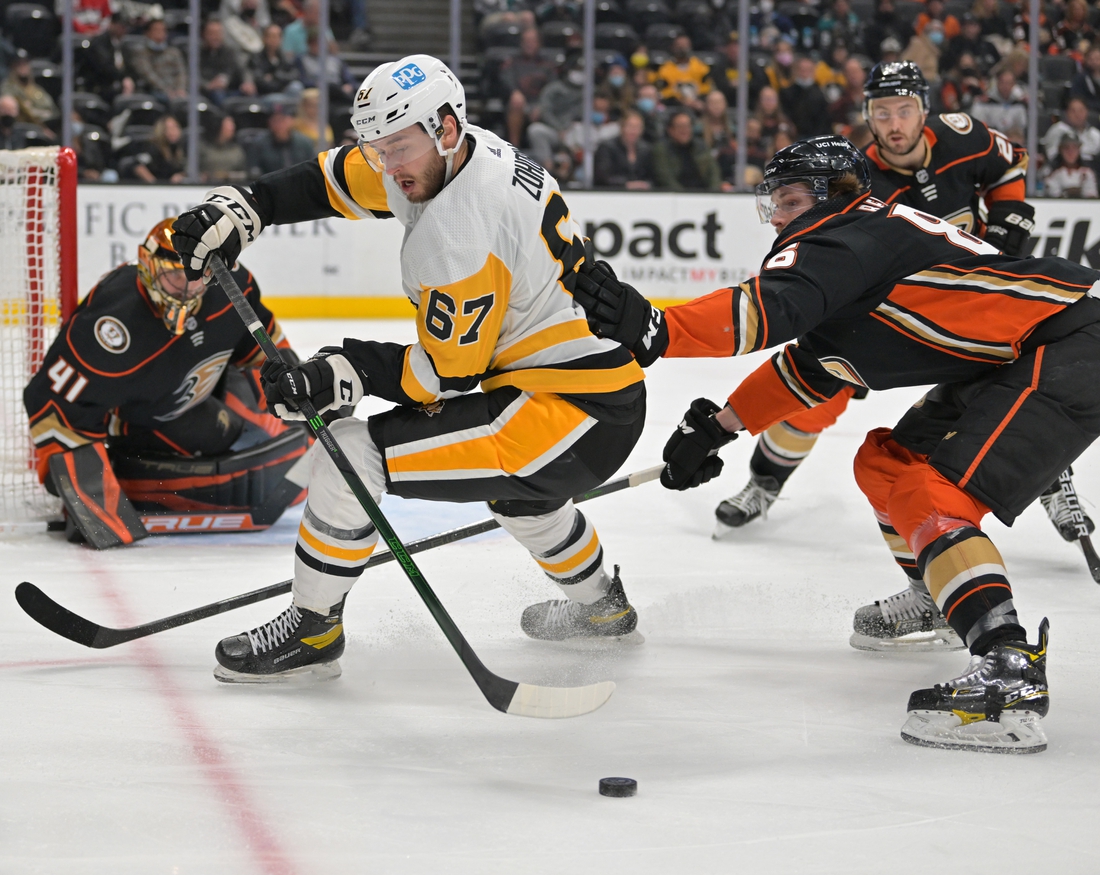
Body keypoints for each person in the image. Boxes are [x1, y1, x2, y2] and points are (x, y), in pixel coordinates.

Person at [574, 135, 1100, 753]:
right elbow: (808, 368)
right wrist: (720, 426)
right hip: (1022, 353)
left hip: (1070, 343)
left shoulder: (846, 234)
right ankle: (942, 593)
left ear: (833, 194)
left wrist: (659, 328)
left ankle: (1008, 669)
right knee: (886, 462)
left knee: (932, 491)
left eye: (791, 198)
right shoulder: (856, 252)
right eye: (772, 202)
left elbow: (765, 309)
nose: (777, 215)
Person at [169, 55, 647, 683]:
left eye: (398, 148)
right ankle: (602, 612)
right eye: (377, 148)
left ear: (446, 128)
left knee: (349, 452)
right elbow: (328, 180)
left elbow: (446, 376)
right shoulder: (460, 153)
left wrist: (342, 373)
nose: (388, 168)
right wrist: (247, 206)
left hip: (568, 414)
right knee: (521, 499)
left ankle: (313, 633)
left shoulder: (458, 235)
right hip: (587, 396)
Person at [712, 62, 1091, 642]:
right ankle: (766, 481)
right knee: (824, 407)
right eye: (881, 113)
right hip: (903, 320)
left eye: (904, 110)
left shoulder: (963, 136)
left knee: (991, 413)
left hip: (983, 315)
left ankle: (1043, 476)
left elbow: (1008, 162)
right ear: (867, 117)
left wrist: (1010, 218)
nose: (893, 124)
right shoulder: (861, 184)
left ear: (925, 109)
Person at [23, 218, 306, 548]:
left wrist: (303, 385)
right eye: (174, 275)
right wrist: (85, 490)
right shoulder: (112, 325)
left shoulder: (232, 285)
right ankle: (138, 479)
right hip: (137, 418)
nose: (187, 289)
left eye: (197, 277)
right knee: (216, 434)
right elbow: (52, 402)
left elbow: (260, 345)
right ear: (147, 265)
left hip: (194, 391)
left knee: (267, 417)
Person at [653, 109, 722, 191]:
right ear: (670, 130)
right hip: (676, 197)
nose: (684, 130)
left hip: (704, 194)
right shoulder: (662, 150)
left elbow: (713, 172)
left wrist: (713, 193)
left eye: (687, 126)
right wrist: (683, 196)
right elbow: (665, 178)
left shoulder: (701, 147)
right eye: (680, 126)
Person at [247, 98, 316, 175]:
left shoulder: (304, 143)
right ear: (269, 122)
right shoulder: (259, 144)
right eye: (275, 120)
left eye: (282, 120)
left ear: (291, 120)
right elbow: (254, 170)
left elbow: (311, 169)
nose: (279, 124)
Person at [128, 17, 188, 102]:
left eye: (163, 30)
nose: (160, 33)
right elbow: (148, 74)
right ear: (147, 33)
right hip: (154, 90)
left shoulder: (174, 52)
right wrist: (167, 90)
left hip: (175, 90)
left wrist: (180, 89)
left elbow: (181, 73)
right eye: (156, 30)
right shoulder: (140, 52)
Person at [200, 17, 257, 105]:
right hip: (208, 92)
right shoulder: (197, 53)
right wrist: (208, 85)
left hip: (230, 90)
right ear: (204, 34)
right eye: (212, 33)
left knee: (250, 94)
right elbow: (191, 77)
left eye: (218, 33)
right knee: (217, 94)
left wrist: (247, 82)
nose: (215, 37)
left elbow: (243, 69)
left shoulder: (230, 51)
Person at [593, 109, 655, 189]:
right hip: (612, 193)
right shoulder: (607, 147)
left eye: (637, 127)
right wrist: (626, 184)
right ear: (622, 127)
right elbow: (602, 177)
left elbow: (653, 176)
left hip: (640, 195)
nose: (633, 130)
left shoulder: (646, 150)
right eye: (630, 126)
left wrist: (645, 184)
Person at [1, 50, 59, 135]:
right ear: (13, 67)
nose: (22, 67)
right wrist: (42, 127)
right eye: (19, 64)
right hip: (25, 129)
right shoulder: (8, 87)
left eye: (25, 64)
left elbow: (53, 110)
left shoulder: (37, 89)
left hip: (49, 125)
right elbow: (21, 111)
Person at [655, 35, 713, 112]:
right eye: (679, 45)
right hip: (675, 108)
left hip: (698, 107)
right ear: (673, 47)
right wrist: (682, 102)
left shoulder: (701, 67)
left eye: (685, 45)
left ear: (690, 46)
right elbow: (664, 94)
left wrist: (696, 102)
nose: (682, 48)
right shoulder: (664, 69)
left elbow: (707, 89)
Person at [1041, 97, 1100, 167]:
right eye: (1073, 111)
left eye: (1081, 111)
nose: (1078, 115)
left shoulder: (1095, 134)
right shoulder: (1057, 130)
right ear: (1067, 113)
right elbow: (1051, 156)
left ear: (1087, 112)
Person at [1043, 132, 1099, 198]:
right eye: (1067, 148)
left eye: (1074, 148)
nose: (1070, 152)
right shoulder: (1053, 174)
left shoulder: (1087, 173)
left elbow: (1091, 196)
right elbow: (1053, 196)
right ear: (1060, 150)